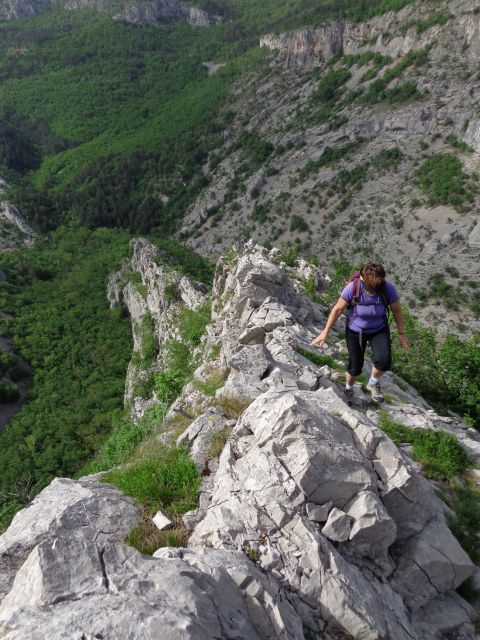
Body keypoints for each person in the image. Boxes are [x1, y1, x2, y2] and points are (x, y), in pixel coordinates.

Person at [310, 262, 409, 403]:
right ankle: (349, 389)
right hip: (355, 331)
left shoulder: (387, 288)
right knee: (355, 366)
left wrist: (401, 333)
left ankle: (373, 383)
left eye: (380, 281)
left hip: (379, 329)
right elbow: (337, 310)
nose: (377, 284)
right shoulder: (353, 288)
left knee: (384, 361)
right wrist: (325, 332)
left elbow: (397, 309)